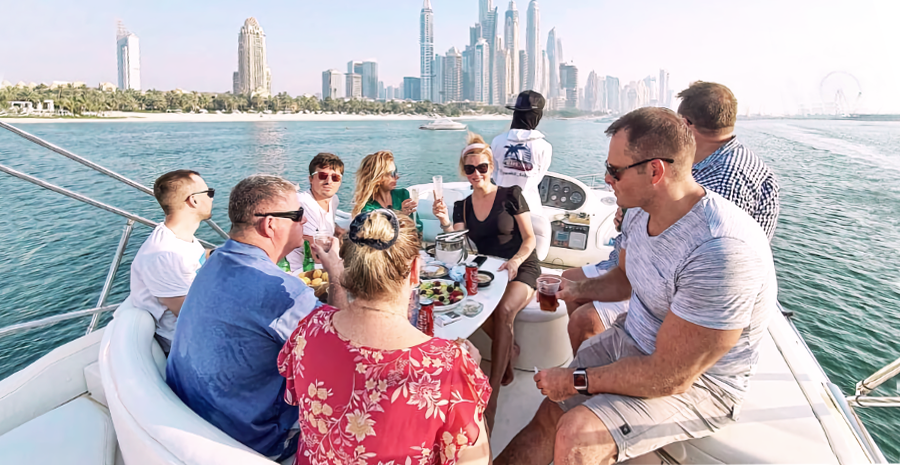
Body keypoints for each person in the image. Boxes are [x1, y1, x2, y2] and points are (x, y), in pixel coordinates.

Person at [496, 107, 778, 465]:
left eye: (614, 171)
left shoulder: (719, 251)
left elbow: (671, 375)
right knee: (551, 411)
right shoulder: (639, 212)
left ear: (655, 171)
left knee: (578, 433)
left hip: (702, 385)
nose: (606, 178)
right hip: (633, 339)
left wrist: (575, 381)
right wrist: (578, 291)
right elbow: (625, 280)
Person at [563, 81, 781, 352]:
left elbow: (708, 260)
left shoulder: (725, 184)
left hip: (689, 289)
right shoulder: (707, 165)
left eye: (615, 171)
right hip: (652, 270)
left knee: (585, 321)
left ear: (685, 124)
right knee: (570, 283)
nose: (609, 178)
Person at [277, 209, 491, 464]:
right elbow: (473, 459)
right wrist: (468, 386)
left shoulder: (309, 330)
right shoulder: (448, 366)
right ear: (414, 271)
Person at [166, 174, 348, 462]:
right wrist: (336, 275)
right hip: (253, 439)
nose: (304, 222)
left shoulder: (214, 261)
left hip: (195, 417)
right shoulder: (280, 292)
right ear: (270, 224)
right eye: (298, 215)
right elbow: (339, 350)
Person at [432, 133, 540, 430]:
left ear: (491, 167)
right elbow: (458, 244)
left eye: (481, 167)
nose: (476, 174)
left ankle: (492, 394)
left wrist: (516, 262)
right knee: (470, 305)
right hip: (487, 270)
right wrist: (443, 221)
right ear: (464, 172)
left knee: (504, 310)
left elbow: (529, 239)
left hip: (520, 266)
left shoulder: (511, 194)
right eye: (470, 169)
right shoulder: (462, 206)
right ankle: (510, 351)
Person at [128, 169, 213, 354]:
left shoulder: (178, 237)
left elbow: (196, 259)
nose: (212, 198)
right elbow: (193, 317)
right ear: (194, 200)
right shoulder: (164, 255)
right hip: (190, 347)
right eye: (209, 193)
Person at [490, 90, 553, 215]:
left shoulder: (497, 141)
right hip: (529, 210)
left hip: (500, 209)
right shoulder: (544, 147)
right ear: (537, 116)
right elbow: (538, 177)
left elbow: (494, 172)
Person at [286, 152, 346, 271]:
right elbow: (317, 255)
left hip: (320, 266)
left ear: (340, 182)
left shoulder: (334, 200)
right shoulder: (302, 203)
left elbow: (325, 224)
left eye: (335, 177)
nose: (329, 181)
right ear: (311, 179)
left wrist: (338, 229)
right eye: (322, 176)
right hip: (301, 270)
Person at [351, 150, 423, 232]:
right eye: (392, 173)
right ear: (377, 178)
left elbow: (418, 228)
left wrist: (409, 218)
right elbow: (377, 236)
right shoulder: (368, 207)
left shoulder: (402, 195)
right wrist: (401, 215)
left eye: (396, 172)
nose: (397, 177)